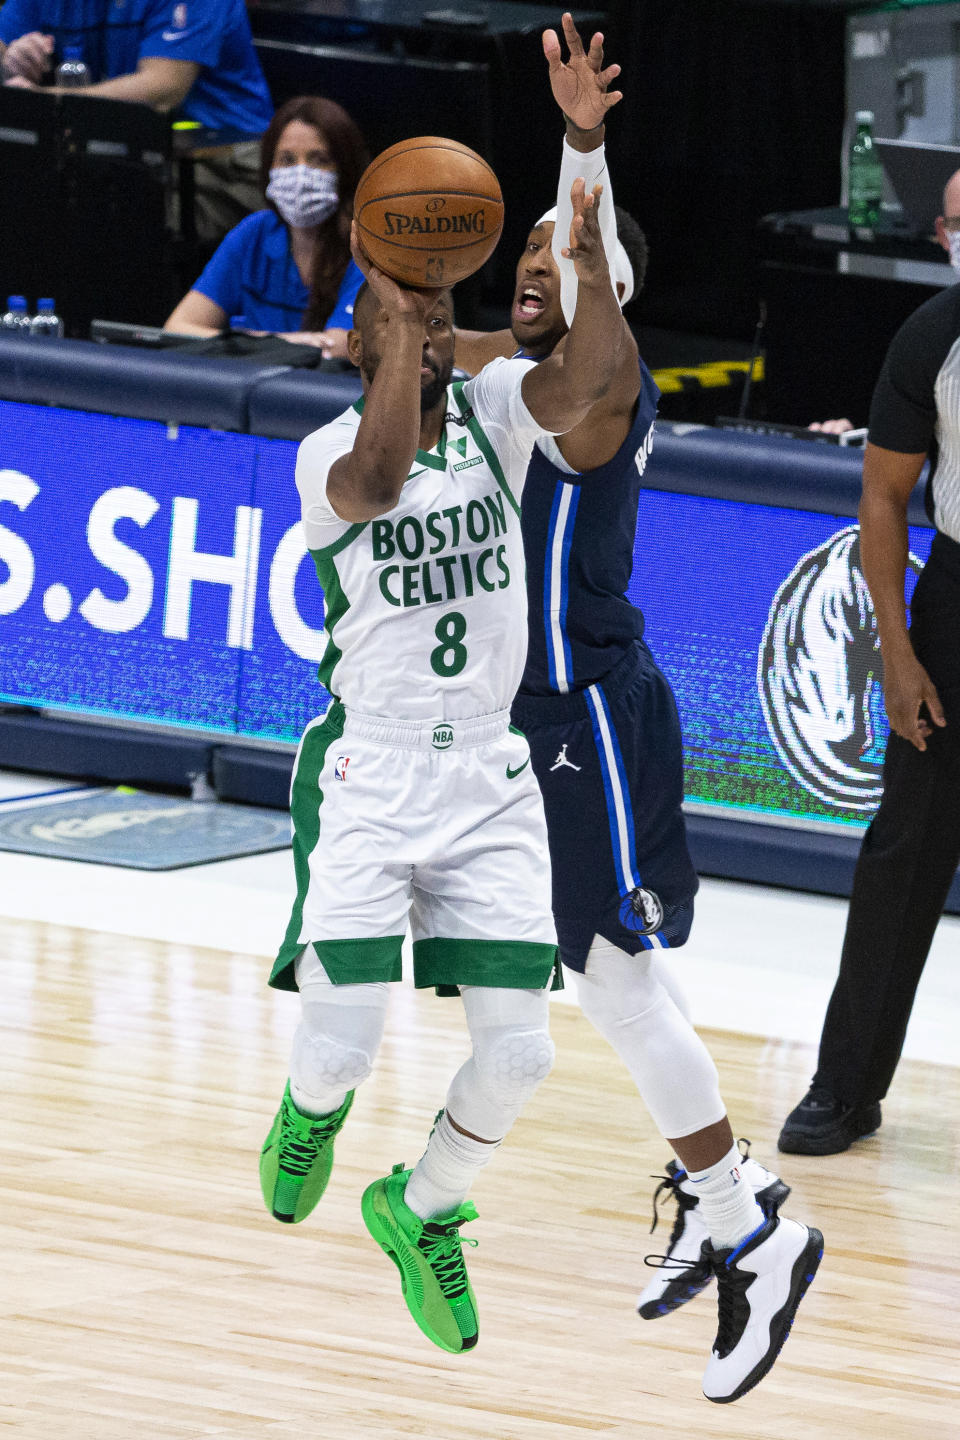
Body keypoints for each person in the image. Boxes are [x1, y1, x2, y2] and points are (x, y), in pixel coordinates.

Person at [455, 13, 823, 1404]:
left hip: (590, 715)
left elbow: (572, 280)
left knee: (613, 977)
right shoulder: (509, 373)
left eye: (569, 259)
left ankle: (749, 1223)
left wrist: (582, 148)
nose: (544, 269)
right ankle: (731, 1203)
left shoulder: (601, 391)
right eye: (533, 258)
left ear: (605, 287)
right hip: (522, 725)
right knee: (595, 984)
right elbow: (462, 345)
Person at [258, 109, 626, 1355]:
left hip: (490, 770)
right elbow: (378, 479)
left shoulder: (501, 412)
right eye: (387, 314)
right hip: (369, 768)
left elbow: (593, 384)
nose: (409, 321)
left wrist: (584, 233)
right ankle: (310, 1113)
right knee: (346, 1048)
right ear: (355, 341)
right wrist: (409, 339)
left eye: (422, 309)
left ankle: (423, 1209)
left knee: (521, 1054)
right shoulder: (325, 457)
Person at [778, 202, 960, 1157]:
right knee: (904, 856)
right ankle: (845, 1087)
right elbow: (883, 498)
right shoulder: (933, 336)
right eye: (957, 221)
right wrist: (896, 649)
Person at [0, 0, 273, 240]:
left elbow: (163, 89)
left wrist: (41, 97)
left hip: (218, 163)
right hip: (111, 156)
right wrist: (9, 59)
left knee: (89, 215)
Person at [164, 95, 366, 357]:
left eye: (319, 159)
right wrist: (271, 342)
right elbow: (178, 328)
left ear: (346, 170)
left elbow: (336, 348)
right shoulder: (254, 232)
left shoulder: (366, 247)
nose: (301, 175)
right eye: (287, 159)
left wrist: (242, 340)